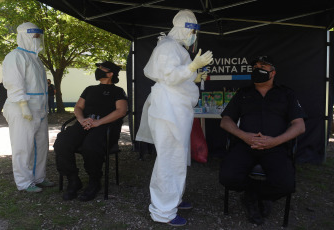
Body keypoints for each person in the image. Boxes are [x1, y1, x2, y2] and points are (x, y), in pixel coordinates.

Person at [135, 10, 213, 226]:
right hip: (168, 111)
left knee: (177, 159)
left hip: (176, 110)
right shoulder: (168, 47)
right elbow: (169, 76)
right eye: (192, 30)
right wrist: (192, 67)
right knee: (169, 160)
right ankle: (162, 211)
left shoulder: (174, 47)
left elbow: (176, 76)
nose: (194, 36)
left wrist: (193, 75)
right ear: (182, 28)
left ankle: (173, 200)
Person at [219, 56, 306, 225]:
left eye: (262, 66)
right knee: (227, 178)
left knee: (287, 185)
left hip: (275, 146)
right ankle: (254, 196)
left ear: (272, 73)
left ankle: (256, 197)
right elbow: (225, 120)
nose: (257, 68)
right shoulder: (243, 93)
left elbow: (299, 126)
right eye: (255, 66)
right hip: (245, 144)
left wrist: (275, 141)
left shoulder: (286, 94)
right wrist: (243, 135)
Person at [54, 61, 128, 202]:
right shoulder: (89, 89)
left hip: (105, 127)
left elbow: (121, 111)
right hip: (84, 124)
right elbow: (78, 107)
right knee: (62, 142)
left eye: (102, 68)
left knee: (91, 147)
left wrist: (98, 122)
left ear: (111, 73)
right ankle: (73, 180)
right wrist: (82, 120)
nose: (98, 70)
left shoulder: (118, 91)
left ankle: (94, 181)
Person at [2, 22, 54, 192]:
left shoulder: (36, 59)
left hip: (39, 109)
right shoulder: (15, 56)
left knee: (41, 145)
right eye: (34, 36)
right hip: (21, 108)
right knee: (22, 146)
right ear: (24, 36)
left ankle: (38, 177)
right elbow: (14, 82)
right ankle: (24, 182)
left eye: (39, 36)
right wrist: (24, 105)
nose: (37, 39)